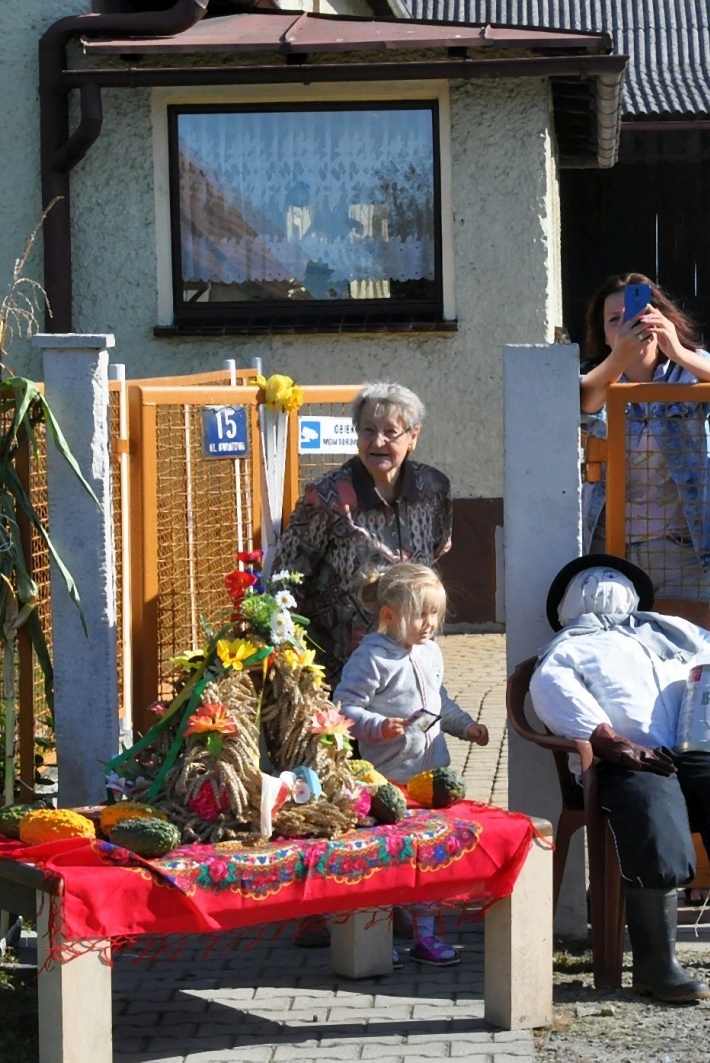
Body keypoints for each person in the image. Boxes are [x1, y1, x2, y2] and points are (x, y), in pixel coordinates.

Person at [529, 554, 710, 1002]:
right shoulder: (567, 649)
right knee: (653, 805)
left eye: (615, 576)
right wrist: (609, 739)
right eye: (590, 580)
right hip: (625, 762)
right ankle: (656, 964)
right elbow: (553, 691)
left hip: (697, 750)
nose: (605, 581)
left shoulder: (679, 633)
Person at [333, 563, 489, 966]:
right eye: (421, 614)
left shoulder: (430, 652)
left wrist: (465, 726)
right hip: (389, 781)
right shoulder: (371, 658)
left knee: (429, 859)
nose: (430, 623)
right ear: (389, 615)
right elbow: (344, 707)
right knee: (388, 861)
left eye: (435, 614)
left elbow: (440, 701)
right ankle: (377, 936)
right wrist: (378, 725)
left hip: (431, 779)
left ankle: (426, 935)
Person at [578, 273, 710, 608]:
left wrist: (679, 350)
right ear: (603, 333)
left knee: (686, 640)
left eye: (638, 314)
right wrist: (620, 359)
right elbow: (583, 403)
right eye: (615, 320)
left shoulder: (688, 370)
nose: (628, 326)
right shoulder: (593, 375)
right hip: (609, 544)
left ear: (661, 319)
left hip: (682, 546)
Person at [271, 381, 453, 674]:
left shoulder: (434, 488)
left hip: (412, 657)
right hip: (341, 665)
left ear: (413, 436)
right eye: (368, 430)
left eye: (391, 431)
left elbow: (438, 545)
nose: (378, 442)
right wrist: (288, 653)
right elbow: (289, 574)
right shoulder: (326, 496)